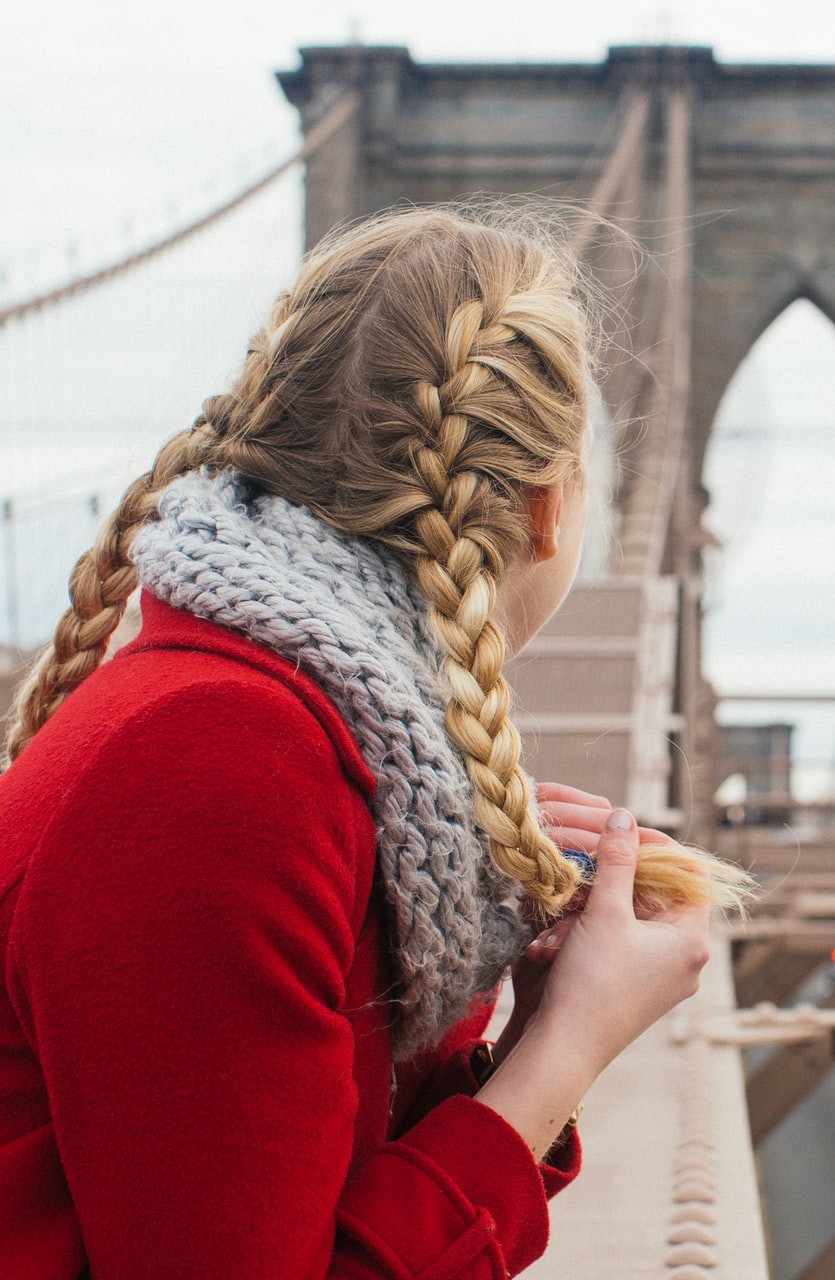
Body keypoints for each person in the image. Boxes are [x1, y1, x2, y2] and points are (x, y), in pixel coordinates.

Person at [0, 206, 752, 1278]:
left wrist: (520, 1028)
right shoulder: (221, 771)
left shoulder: (303, 754)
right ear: (549, 508)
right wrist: (566, 1049)